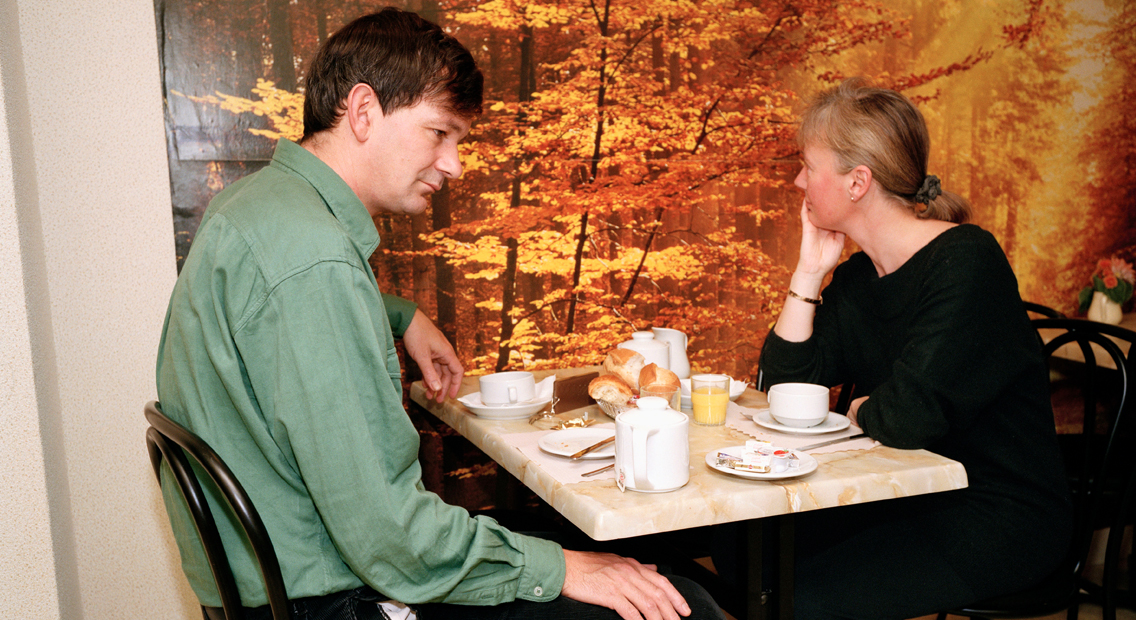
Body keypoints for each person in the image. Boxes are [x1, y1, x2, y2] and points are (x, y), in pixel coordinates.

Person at [156, 9, 721, 620]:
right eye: (438, 133)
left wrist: (399, 314)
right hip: (334, 599)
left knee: (651, 570)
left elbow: (275, 317)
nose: (454, 165)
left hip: (281, 580)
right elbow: (389, 537)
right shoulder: (316, 262)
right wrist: (560, 567)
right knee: (679, 600)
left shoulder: (259, 207)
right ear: (364, 112)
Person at [755, 79, 1073, 618]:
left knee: (801, 598)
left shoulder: (967, 260)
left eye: (809, 165)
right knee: (744, 552)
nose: (798, 180)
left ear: (858, 182)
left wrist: (861, 409)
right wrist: (808, 272)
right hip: (906, 490)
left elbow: (906, 419)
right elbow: (779, 387)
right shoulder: (859, 278)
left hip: (996, 511)